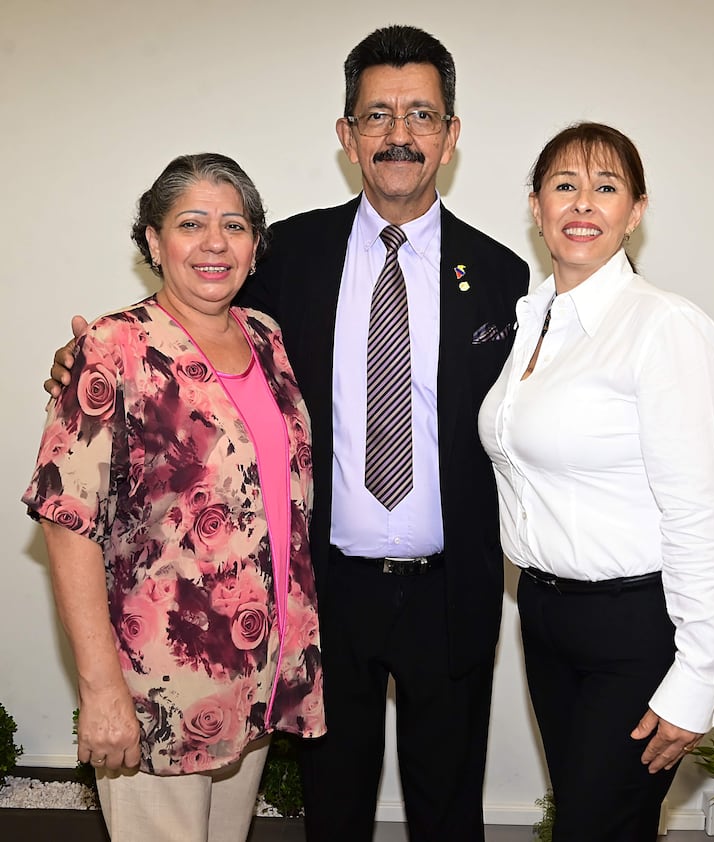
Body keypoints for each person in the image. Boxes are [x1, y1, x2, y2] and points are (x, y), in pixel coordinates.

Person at [45, 24, 530, 842]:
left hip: (453, 590)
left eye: (421, 115)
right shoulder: (286, 255)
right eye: (377, 115)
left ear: (450, 136)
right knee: (330, 811)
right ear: (347, 136)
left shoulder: (503, 278)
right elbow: (188, 318)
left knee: (449, 811)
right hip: (322, 592)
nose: (399, 135)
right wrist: (82, 361)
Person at [26, 153, 325, 842]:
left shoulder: (267, 339)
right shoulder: (114, 347)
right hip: (157, 680)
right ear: (155, 242)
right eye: (192, 224)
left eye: (235, 225)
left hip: (252, 674)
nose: (215, 242)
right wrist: (101, 691)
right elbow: (66, 521)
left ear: (255, 243)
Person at [479, 122, 714, 841]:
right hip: (544, 616)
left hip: (635, 629)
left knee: (596, 828)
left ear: (637, 210)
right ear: (536, 207)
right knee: (591, 823)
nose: (582, 204)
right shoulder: (532, 322)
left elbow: (702, 516)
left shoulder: (663, 328)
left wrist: (698, 681)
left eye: (606, 187)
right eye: (564, 185)